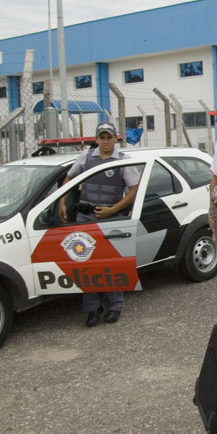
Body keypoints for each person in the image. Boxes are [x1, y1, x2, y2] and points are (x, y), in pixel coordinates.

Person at [59, 121, 140, 327]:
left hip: (112, 218)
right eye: (102, 138)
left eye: (109, 137)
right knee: (86, 265)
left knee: (112, 265)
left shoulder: (122, 160)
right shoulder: (86, 158)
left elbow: (133, 190)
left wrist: (113, 210)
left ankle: (114, 307)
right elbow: (68, 178)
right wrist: (61, 201)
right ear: (96, 139)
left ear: (116, 138)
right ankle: (92, 309)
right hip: (85, 217)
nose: (106, 141)